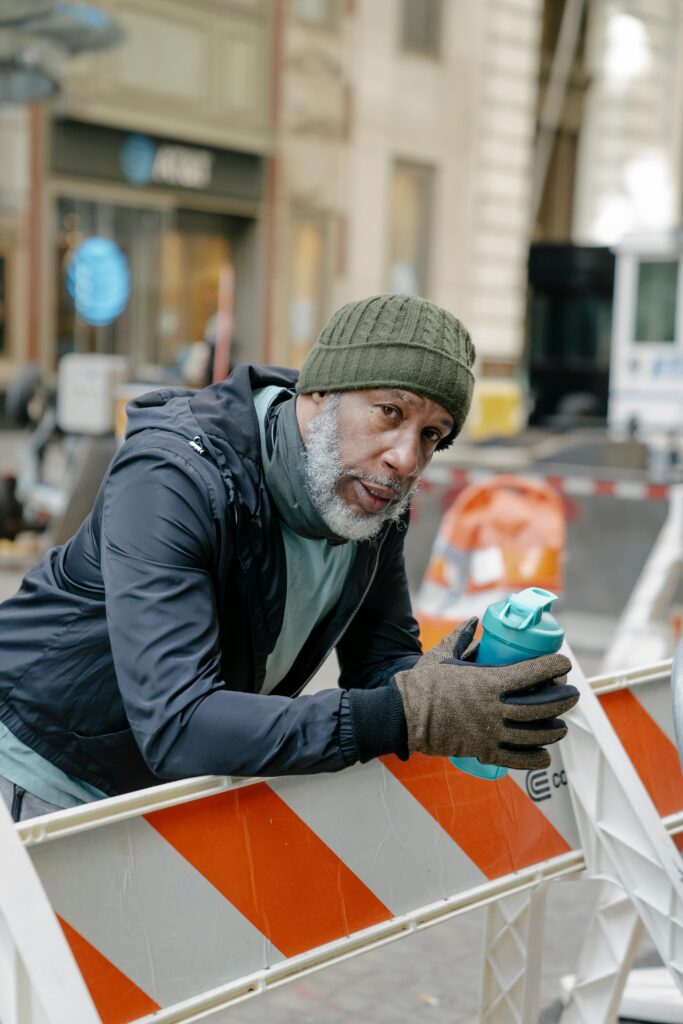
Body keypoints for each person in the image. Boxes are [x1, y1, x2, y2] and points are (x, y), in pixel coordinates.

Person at [0, 295, 578, 822]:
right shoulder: (173, 478)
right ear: (320, 392)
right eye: (390, 412)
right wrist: (405, 715)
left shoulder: (367, 497)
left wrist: (449, 689)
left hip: (160, 792)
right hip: (37, 767)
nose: (406, 458)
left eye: (433, 434)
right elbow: (178, 724)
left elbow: (381, 665)